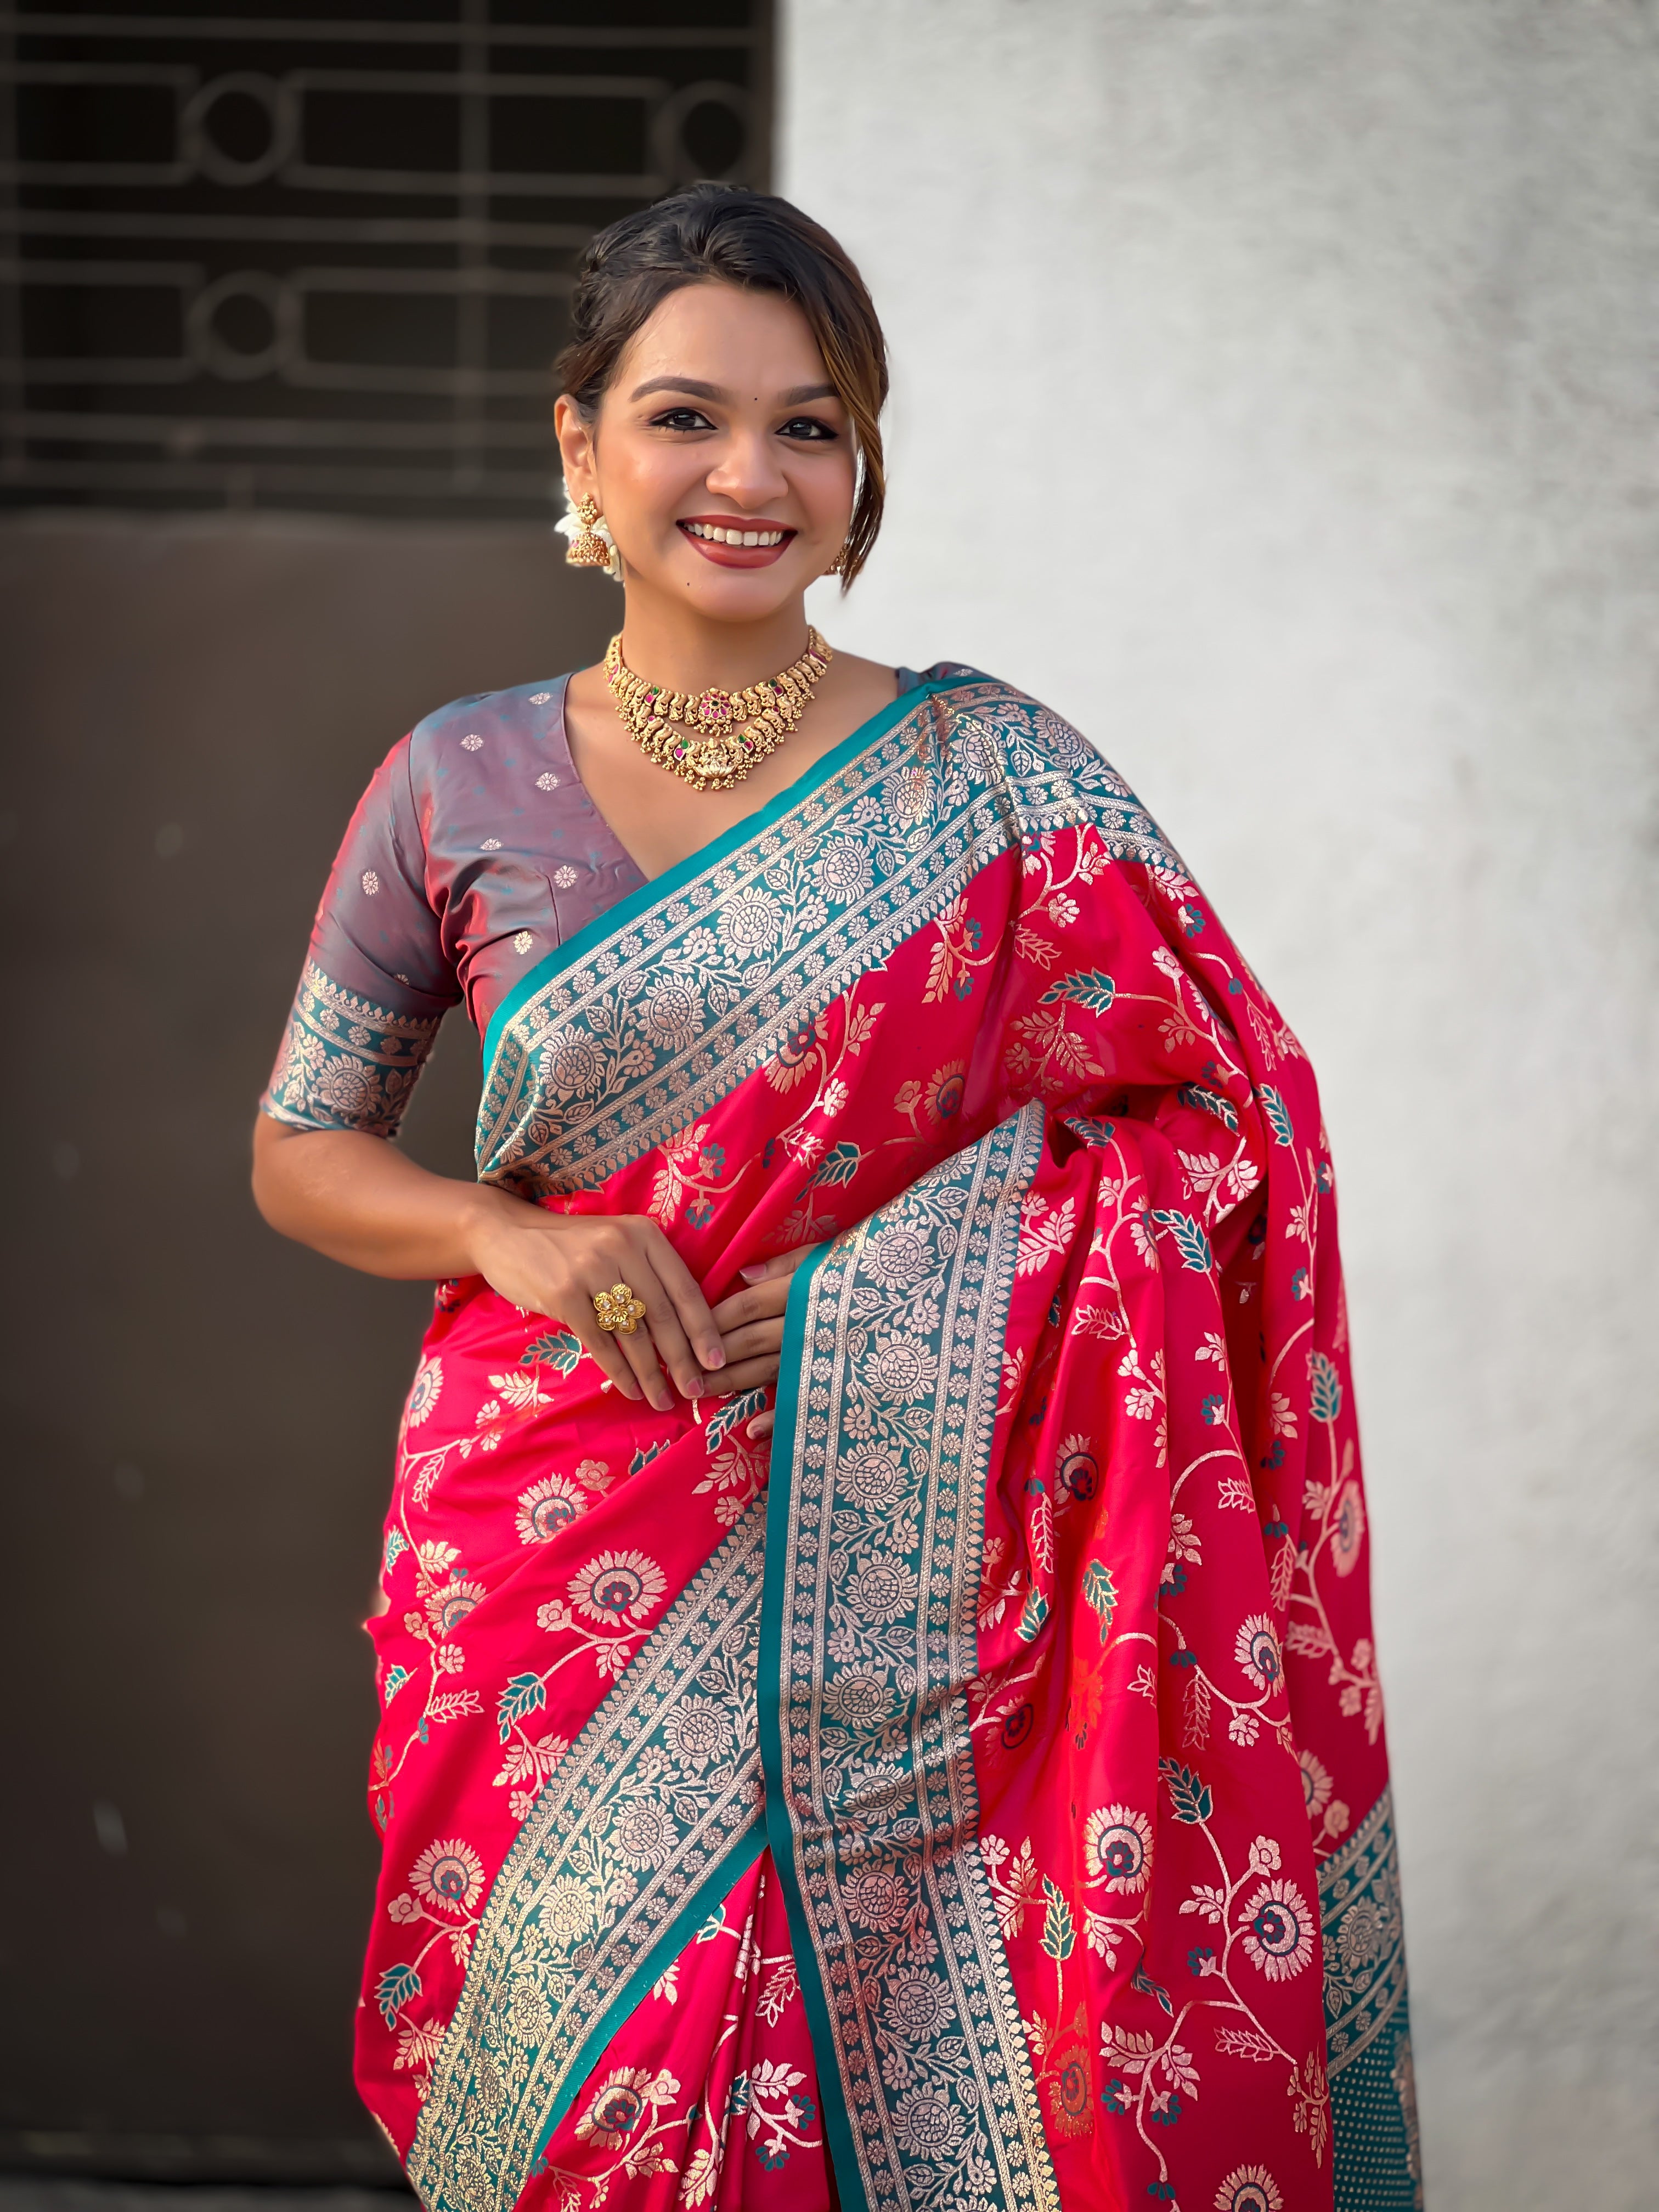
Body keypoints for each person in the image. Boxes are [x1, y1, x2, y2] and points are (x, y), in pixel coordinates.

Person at [253, 184, 1419, 2212]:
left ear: (862, 464)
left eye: (811, 424)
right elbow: (302, 1148)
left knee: (938, 2083)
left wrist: (938, 1280)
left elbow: (1238, 1125)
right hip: (555, 1540)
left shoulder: (994, 776)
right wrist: (510, 1233)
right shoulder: (457, 780)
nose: (749, 473)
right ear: (580, 447)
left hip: (951, 1544)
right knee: (582, 2104)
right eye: (687, 415)